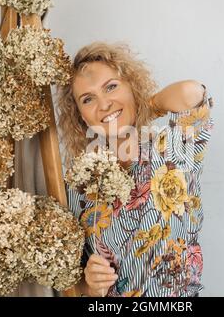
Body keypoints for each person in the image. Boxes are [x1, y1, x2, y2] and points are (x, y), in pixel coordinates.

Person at [57, 42, 214, 297]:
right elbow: (68, 284)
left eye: (111, 87)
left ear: (132, 86)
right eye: (88, 99)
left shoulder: (174, 147)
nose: (104, 104)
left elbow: (190, 92)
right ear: (82, 116)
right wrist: (90, 284)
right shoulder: (78, 187)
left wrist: (142, 109)